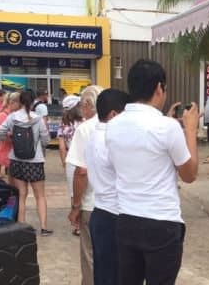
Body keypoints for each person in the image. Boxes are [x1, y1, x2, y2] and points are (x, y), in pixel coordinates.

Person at [107, 59, 199, 285]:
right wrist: (190, 130)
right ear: (159, 88)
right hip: (161, 222)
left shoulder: (113, 125)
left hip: (126, 219)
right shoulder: (168, 127)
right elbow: (189, 175)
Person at [80, 89, 129, 285]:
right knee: (116, 276)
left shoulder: (93, 137)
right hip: (114, 215)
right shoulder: (112, 140)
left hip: (100, 212)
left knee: (103, 274)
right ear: (114, 115)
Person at [0, 90, 52, 236]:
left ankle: (21, 226)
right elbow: (46, 139)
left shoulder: (12, 117)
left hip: (17, 160)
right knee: (40, 195)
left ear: (20, 102)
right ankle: (44, 227)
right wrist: (39, 145)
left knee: (21, 195)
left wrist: (10, 137)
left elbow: (0, 132)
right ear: (33, 101)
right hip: (35, 162)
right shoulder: (38, 118)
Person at [66, 85, 104, 284]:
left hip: (92, 204)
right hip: (118, 205)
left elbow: (81, 172)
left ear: (89, 105)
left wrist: (76, 206)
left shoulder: (85, 129)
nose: (82, 110)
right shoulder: (118, 124)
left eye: (83, 105)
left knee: (90, 256)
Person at [59, 95, 83, 235]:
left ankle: (77, 225)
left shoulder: (64, 123)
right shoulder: (85, 122)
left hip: (71, 160)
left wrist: (64, 163)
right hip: (86, 160)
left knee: (74, 193)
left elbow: (62, 147)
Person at [0, 92, 18, 179]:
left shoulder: (12, 114)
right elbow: (2, 135)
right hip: (6, 149)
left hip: (12, 150)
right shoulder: (3, 115)